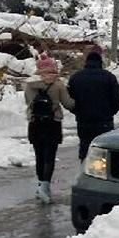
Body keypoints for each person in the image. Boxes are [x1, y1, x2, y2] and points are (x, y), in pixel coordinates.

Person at [25, 54, 76, 204]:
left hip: (35, 123)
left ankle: (40, 185)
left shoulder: (29, 84)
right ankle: (45, 186)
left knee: (39, 156)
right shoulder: (58, 84)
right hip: (52, 123)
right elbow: (69, 104)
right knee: (49, 157)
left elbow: (28, 102)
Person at [67, 49, 119, 160]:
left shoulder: (76, 78)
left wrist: (78, 111)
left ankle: (85, 171)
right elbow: (118, 98)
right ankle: (102, 174)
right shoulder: (109, 77)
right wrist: (110, 112)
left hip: (84, 121)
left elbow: (69, 101)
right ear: (100, 62)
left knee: (85, 147)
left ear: (86, 62)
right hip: (104, 121)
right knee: (104, 149)